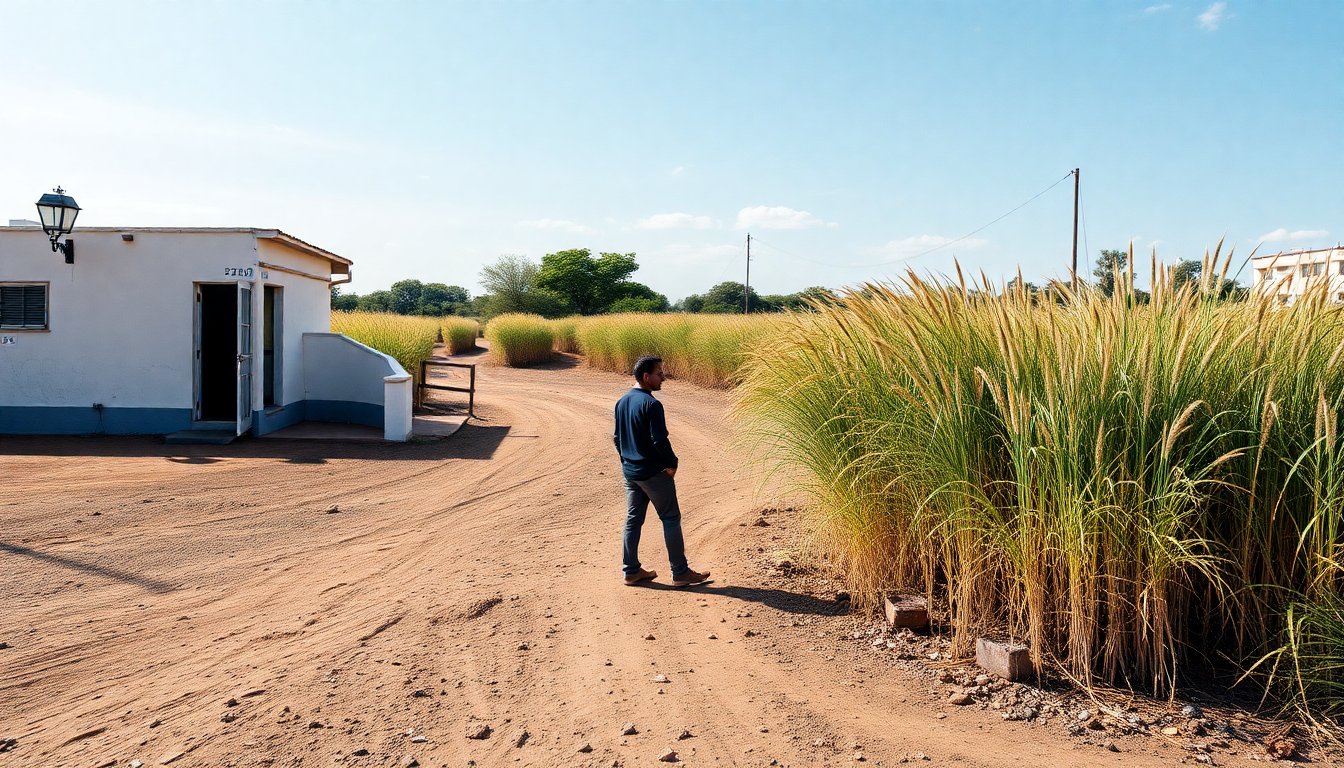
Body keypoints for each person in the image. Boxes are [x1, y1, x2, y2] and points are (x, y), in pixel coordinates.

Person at [613, 355, 711, 587]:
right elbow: (659, 440)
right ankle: (680, 572)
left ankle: (631, 571)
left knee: (633, 520)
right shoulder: (652, 404)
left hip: (632, 473)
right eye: (659, 373)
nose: (663, 378)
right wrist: (672, 463)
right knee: (670, 518)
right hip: (653, 474)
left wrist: (626, 463)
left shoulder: (622, 401)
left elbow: (617, 439)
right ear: (646, 377)